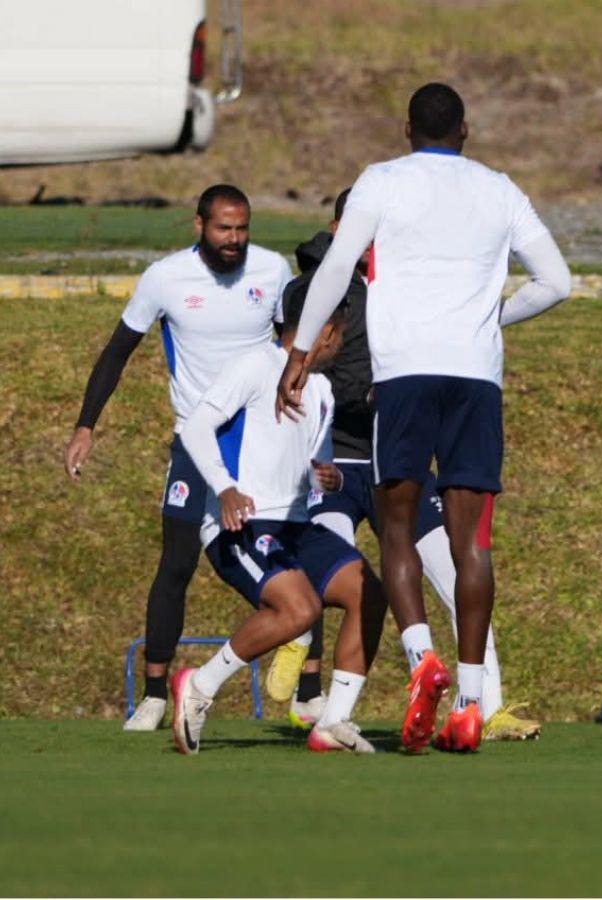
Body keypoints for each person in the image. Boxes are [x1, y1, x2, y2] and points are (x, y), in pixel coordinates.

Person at [278, 82, 571, 753]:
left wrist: (298, 352)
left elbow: (336, 269)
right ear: (465, 131)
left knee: (397, 527)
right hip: (476, 377)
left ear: (407, 129)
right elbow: (557, 281)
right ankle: (469, 704)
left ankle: (422, 662)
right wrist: (492, 319)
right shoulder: (501, 189)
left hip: (405, 374)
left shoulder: (382, 180)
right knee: (471, 545)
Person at [62, 185, 294, 731]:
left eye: (242, 228)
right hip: (196, 439)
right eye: (223, 229)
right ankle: (154, 696)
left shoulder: (273, 270)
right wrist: (86, 425)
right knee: (177, 562)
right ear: (199, 225)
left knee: (289, 552)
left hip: (262, 440)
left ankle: (308, 691)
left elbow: (296, 348)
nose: (234, 239)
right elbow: (117, 351)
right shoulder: (164, 278)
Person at [174, 294, 388, 754]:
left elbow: (314, 465)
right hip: (242, 522)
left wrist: (327, 477)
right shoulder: (255, 365)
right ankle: (199, 686)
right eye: (342, 335)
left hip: (297, 525)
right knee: (300, 610)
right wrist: (225, 489)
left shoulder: (322, 390)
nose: (342, 345)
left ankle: (333, 722)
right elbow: (195, 428)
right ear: (325, 331)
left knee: (368, 592)